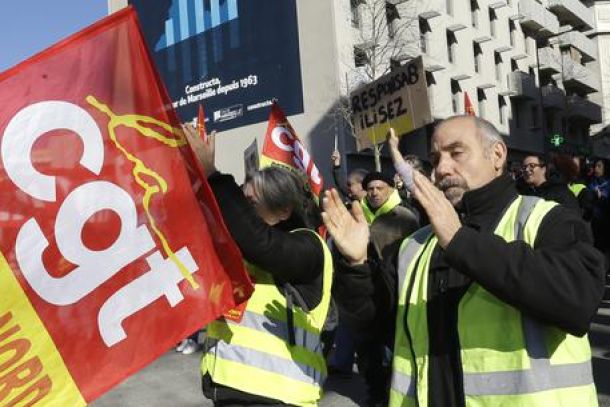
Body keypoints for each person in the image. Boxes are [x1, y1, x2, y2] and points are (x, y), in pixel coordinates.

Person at [322, 115, 605, 407]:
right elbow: (376, 326)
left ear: (497, 155)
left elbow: (576, 301)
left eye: (456, 153)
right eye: (435, 159)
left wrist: (460, 241)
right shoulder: (415, 246)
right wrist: (356, 266)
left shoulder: (547, 219)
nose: (441, 168)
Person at [184, 125, 333, 407]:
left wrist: (213, 176)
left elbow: (262, 244)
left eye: (249, 204)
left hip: (281, 396)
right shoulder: (239, 249)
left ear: (284, 210)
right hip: (227, 389)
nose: (241, 211)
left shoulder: (309, 246)